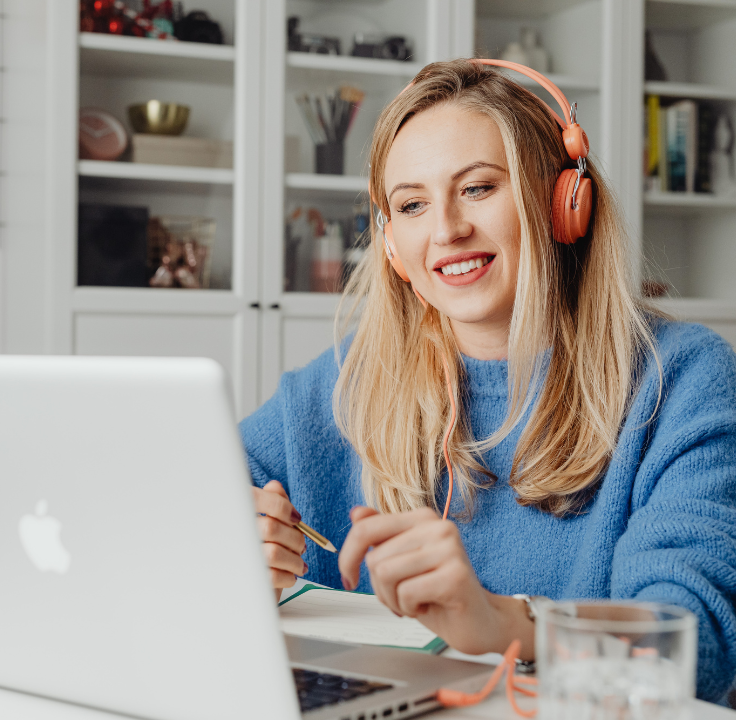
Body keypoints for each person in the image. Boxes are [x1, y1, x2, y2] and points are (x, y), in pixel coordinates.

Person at [242, 59, 736, 702]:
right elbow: (169, 503)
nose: (446, 229)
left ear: (566, 205)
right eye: (412, 204)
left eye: (477, 188)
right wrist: (228, 552)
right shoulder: (343, 385)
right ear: (392, 245)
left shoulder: (684, 378)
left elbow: (691, 644)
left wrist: (508, 625)